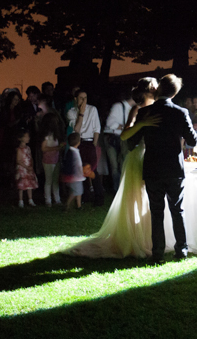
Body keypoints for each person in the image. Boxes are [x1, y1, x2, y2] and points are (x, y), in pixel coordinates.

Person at [65, 77, 161, 258]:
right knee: (136, 197)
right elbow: (125, 135)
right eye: (154, 88)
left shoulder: (159, 109)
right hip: (138, 155)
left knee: (151, 198)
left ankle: (150, 236)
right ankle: (134, 237)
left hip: (154, 156)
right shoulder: (136, 109)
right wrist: (141, 124)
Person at [132, 74, 197, 263]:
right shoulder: (180, 112)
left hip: (153, 167)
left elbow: (133, 140)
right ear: (175, 93)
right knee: (177, 210)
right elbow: (193, 140)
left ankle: (158, 253)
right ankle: (181, 250)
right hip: (173, 168)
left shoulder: (146, 112)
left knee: (156, 212)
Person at [66, 89, 104, 206]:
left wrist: (94, 143)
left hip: (90, 142)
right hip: (79, 142)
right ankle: (84, 196)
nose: (84, 100)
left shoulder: (92, 109)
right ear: (76, 99)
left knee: (92, 170)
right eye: (81, 98)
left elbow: (97, 128)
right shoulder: (71, 112)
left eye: (85, 98)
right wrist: (81, 113)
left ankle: (99, 198)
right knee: (80, 170)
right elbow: (76, 130)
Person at [102, 90, 135, 191]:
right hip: (112, 138)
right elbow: (110, 123)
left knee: (122, 165)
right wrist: (125, 127)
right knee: (115, 166)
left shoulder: (132, 108)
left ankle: (121, 189)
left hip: (122, 139)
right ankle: (117, 190)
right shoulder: (118, 106)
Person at [40, 112, 66, 206]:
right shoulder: (47, 135)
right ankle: (48, 200)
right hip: (48, 160)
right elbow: (43, 148)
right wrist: (57, 148)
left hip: (56, 159)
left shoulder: (55, 134)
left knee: (55, 180)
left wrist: (60, 147)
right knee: (49, 180)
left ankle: (57, 199)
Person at [61, 132, 85, 211]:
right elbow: (69, 164)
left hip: (77, 176)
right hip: (74, 176)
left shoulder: (74, 151)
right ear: (78, 142)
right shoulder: (71, 152)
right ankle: (67, 204)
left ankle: (78, 205)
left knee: (78, 191)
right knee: (75, 192)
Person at [14, 129, 38, 207]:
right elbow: (18, 160)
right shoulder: (19, 149)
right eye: (26, 137)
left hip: (28, 168)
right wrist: (26, 167)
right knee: (22, 185)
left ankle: (30, 199)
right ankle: (21, 201)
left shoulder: (28, 148)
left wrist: (31, 166)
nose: (28, 138)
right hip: (23, 169)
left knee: (29, 184)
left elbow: (30, 157)